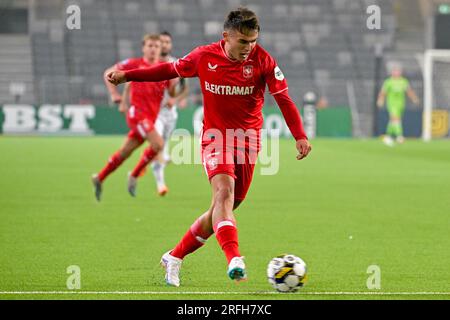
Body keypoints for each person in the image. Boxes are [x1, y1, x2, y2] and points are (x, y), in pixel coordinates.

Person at [107, 7, 312, 286]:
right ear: (225, 36)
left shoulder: (263, 61)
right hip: (215, 138)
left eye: (253, 41)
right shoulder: (204, 56)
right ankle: (234, 259)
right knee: (224, 194)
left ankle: (174, 257)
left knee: (223, 207)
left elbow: (284, 99)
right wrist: (128, 75)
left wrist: (299, 135)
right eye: (242, 41)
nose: (248, 48)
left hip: (248, 142)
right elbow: (168, 70)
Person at [92, 34, 177, 201]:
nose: (153, 49)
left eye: (156, 46)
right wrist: (114, 94)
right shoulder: (134, 64)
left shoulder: (163, 68)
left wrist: (173, 86)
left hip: (150, 118)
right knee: (158, 143)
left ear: (161, 50)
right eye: (150, 45)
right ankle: (135, 175)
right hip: (137, 114)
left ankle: (99, 178)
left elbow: (171, 92)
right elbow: (108, 73)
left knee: (125, 152)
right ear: (143, 47)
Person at [126, 31, 189, 197]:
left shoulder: (176, 64)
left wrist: (175, 100)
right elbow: (132, 81)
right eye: (162, 42)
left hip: (170, 113)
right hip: (154, 113)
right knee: (159, 145)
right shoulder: (148, 64)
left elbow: (184, 88)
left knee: (162, 146)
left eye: (168, 42)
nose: (165, 45)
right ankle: (160, 183)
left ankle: (148, 159)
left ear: (170, 45)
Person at [377, 65, 420, 146]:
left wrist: (414, 98)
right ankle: (399, 136)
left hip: (401, 104)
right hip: (392, 103)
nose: (397, 73)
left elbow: (409, 91)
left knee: (394, 120)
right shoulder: (388, 82)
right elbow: (383, 92)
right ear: (392, 72)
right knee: (395, 118)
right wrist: (380, 100)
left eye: (398, 71)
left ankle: (387, 136)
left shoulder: (403, 81)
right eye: (395, 71)